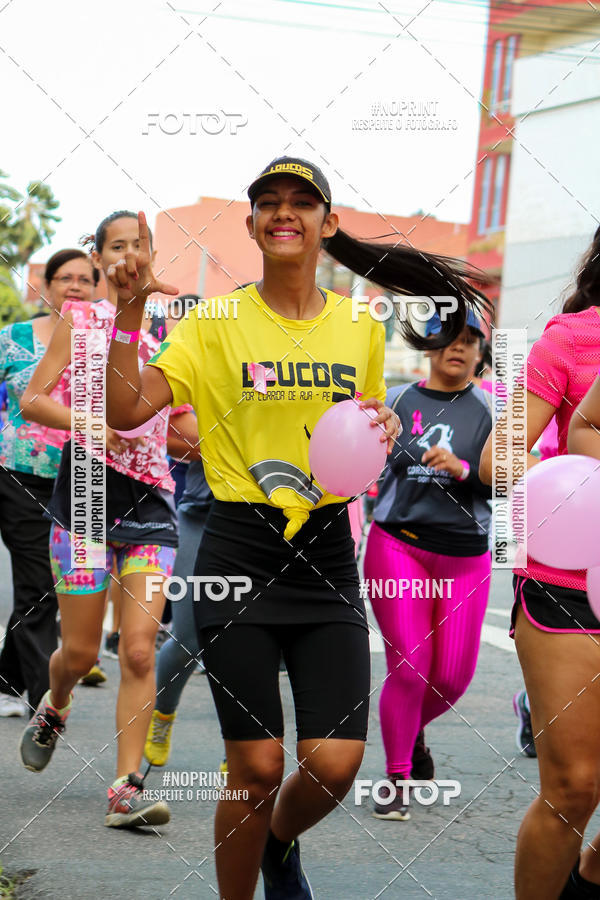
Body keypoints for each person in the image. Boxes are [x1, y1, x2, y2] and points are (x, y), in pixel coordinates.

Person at [104, 156, 489, 899]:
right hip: (237, 552)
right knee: (255, 766)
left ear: (327, 224)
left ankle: (279, 843)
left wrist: (379, 424)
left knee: (337, 763)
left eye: (301, 203)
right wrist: (126, 318)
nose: (285, 213)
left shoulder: (357, 326)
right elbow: (125, 409)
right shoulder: (215, 321)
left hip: (324, 558)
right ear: (251, 225)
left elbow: (362, 427)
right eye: (269, 203)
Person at [18, 210, 200, 829]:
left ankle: (125, 787)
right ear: (99, 258)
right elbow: (32, 397)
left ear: (151, 253)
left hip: (152, 503)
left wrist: (205, 438)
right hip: (87, 497)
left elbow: (185, 424)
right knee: (77, 650)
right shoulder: (83, 320)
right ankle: (56, 702)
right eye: (115, 247)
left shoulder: (174, 331)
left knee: (141, 651)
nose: (127, 256)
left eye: (137, 245)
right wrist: (92, 424)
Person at [480, 224, 600, 900]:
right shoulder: (572, 339)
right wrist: (567, 484)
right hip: (567, 585)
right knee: (574, 787)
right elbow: (501, 456)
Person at [363, 310, 493, 821]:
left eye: (469, 342)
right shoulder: (397, 401)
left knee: (453, 680)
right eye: (448, 340)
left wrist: (465, 470)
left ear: (481, 354)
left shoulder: (492, 412)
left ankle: (410, 730)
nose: (458, 349)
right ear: (429, 346)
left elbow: (509, 482)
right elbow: (362, 461)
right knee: (411, 671)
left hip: (466, 556)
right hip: (398, 546)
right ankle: (396, 779)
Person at [0, 249, 99, 718]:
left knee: (58, 586)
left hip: (80, 477)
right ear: (48, 284)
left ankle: (6, 679)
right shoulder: (14, 339)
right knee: (38, 582)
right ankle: (45, 701)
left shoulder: (104, 343)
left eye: (85, 279)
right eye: (66, 278)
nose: (75, 286)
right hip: (17, 474)